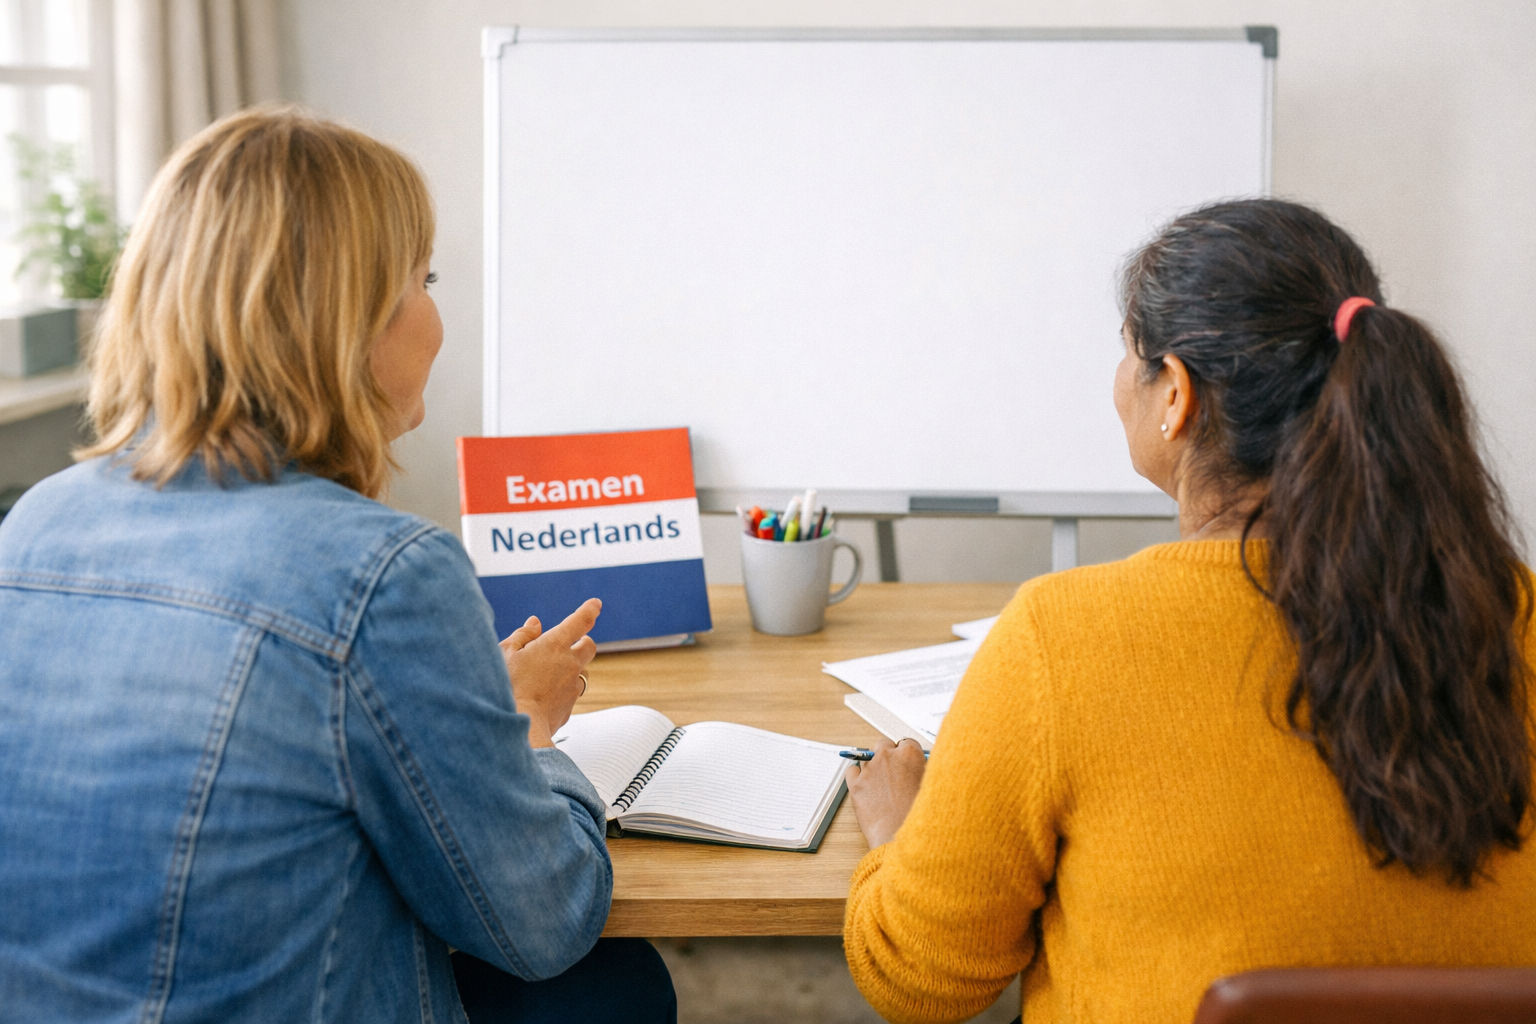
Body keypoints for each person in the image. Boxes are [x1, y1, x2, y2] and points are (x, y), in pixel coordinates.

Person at [0, 106, 674, 1023]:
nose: (437, 317)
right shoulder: (384, 574)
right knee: (609, 986)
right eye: (423, 279)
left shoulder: (37, 521)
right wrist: (525, 725)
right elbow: (543, 920)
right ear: (346, 319)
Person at [841, 198, 1536, 1024]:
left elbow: (922, 977)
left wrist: (899, 830)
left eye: (1127, 353)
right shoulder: (1516, 608)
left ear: (1175, 393)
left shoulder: (1063, 637)